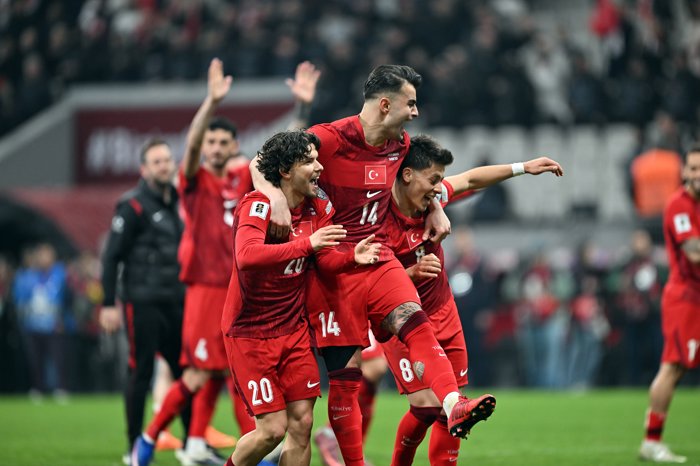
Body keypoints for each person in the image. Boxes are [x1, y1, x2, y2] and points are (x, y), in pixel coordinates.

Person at [252, 64, 491, 466]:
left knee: (414, 319)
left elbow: (428, 181)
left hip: (378, 256)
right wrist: (274, 197)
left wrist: (435, 206)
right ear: (385, 104)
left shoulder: (401, 145)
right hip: (331, 263)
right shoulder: (330, 138)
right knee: (346, 380)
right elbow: (262, 161)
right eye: (410, 103)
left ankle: (453, 404)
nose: (415, 112)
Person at [131, 58, 321, 466]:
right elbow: (192, 147)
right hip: (205, 288)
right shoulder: (195, 180)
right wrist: (212, 102)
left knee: (228, 379)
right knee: (200, 373)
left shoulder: (243, 181)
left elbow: (284, 158)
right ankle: (148, 439)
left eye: (223, 143)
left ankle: (203, 443)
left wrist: (302, 108)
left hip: (244, 289)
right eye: (211, 142)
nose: (215, 148)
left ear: (234, 148)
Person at [378, 135, 563, 464]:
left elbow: (470, 180)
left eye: (440, 180)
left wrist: (524, 167)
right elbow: (370, 283)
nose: (438, 188)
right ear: (407, 175)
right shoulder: (377, 218)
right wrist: (411, 273)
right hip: (402, 319)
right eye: (433, 180)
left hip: (443, 310)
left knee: (453, 409)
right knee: (427, 406)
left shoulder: (431, 199)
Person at [220, 130, 379, 466]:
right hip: (250, 333)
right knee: (272, 430)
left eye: (317, 159)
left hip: (294, 330)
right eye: (309, 161)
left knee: (303, 423)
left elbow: (326, 259)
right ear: (285, 171)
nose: (319, 167)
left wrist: (352, 258)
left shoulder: (318, 205)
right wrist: (307, 245)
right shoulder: (257, 204)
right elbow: (246, 256)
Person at [99, 138, 188, 464]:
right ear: (144, 169)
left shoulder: (177, 200)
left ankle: (191, 443)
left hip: (175, 300)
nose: (164, 166)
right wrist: (108, 303)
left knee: (186, 371)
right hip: (142, 302)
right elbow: (111, 257)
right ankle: (134, 445)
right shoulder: (132, 206)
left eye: (167, 160)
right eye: (157, 162)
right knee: (141, 371)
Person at [638, 145, 700, 464]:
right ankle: (651, 441)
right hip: (686, 298)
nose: (697, 174)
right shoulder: (679, 205)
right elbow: (694, 252)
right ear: (684, 171)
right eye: (693, 168)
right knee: (673, 367)